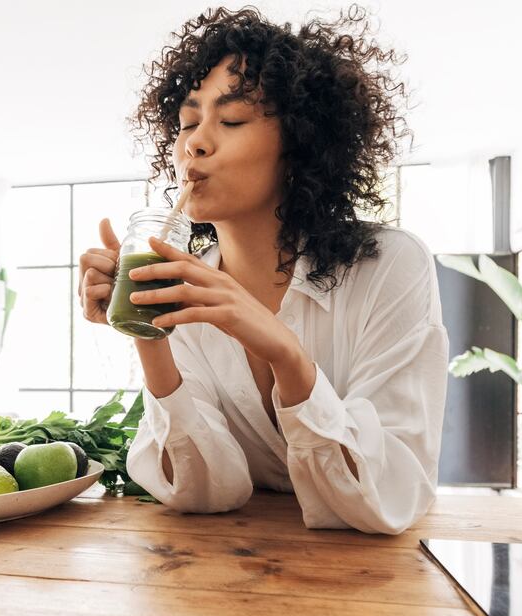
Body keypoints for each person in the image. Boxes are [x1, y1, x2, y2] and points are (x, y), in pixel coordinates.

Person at [77, 6, 448, 534]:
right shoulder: (182, 283)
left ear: (299, 143)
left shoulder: (389, 266)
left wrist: (286, 354)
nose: (195, 143)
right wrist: (147, 328)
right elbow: (202, 493)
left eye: (231, 120)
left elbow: (392, 495)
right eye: (187, 122)